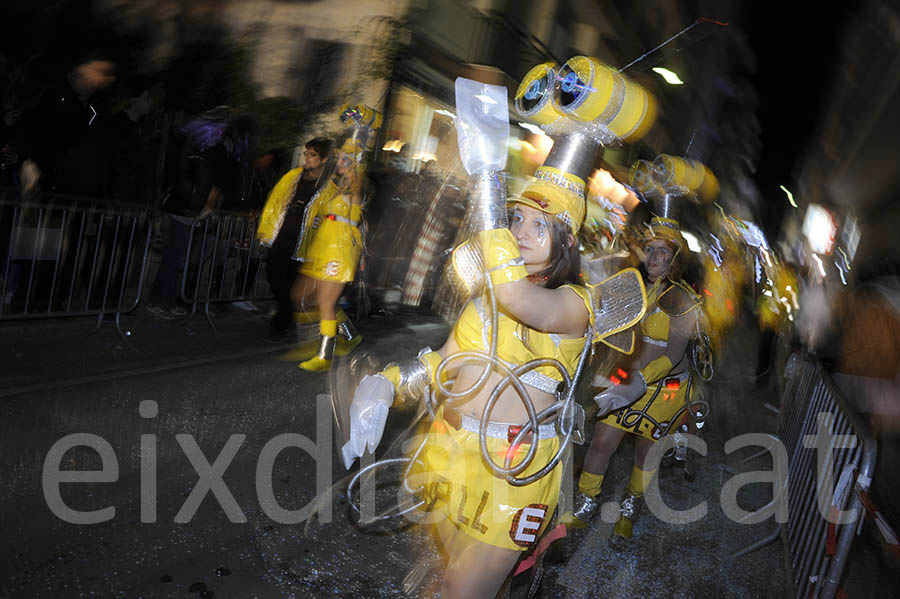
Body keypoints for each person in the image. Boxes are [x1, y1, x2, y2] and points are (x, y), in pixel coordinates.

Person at [569, 214, 701, 539]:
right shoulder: (632, 285)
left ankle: (630, 506)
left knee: (646, 453)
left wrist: (640, 380)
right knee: (601, 441)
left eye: (662, 252)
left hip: (663, 392)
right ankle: (586, 501)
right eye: (650, 249)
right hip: (627, 379)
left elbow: (673, 356)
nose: (654, 257)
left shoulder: (683, 299)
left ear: (674, 261)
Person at [286, 104, 381, 371]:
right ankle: (349, 336)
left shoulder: (355, 186)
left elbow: (356, 161)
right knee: (305, 296)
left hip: (339, 250)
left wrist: (359, 131)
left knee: (326, 303)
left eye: (344, 159)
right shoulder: (335, 187)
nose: (338, 161)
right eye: (338, 158)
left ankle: (323, 357)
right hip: (324, 248)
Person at [146, 109, 253, 318]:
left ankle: (160, 298)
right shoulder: (199, 149)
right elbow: (195, 179)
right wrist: (201, 200)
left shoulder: (203, 149)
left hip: (188, 208)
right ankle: (161, 301)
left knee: (175, 256)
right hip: (184, 208)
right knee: (175, 257)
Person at [257, 137, 332, 340]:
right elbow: (275, 202)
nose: (307, 158)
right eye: (306, 153)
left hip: (305, 244)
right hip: (282, 237)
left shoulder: (327, 186)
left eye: (312, 155)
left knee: (291, 284)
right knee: (273, 277)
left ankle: (281, 324)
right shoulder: (293, 176)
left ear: (323, 159)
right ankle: (287, 314)